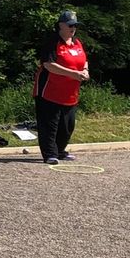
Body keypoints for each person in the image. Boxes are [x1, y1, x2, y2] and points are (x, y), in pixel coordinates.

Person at [34, 9, 89, 165]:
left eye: (75, 25)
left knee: (67, 125)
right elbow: (49, 65)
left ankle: (60, 150)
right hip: (49, 90)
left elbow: (84, 60)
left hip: (70, 93)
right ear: (60, 25)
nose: (73, 28)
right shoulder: (52, 42)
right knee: (49, 124)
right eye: (70, 25)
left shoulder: (77, 42)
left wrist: (85, 70)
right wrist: (73, 74)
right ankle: (50, 154)